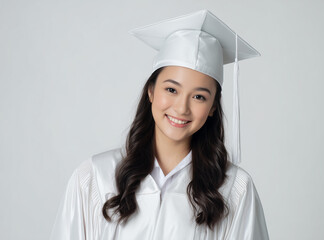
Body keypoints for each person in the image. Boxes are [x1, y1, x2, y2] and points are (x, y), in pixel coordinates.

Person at [50, 10, 269, 240]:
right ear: (151, 91)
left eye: (199, 97)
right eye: (171, 89)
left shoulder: (235, 189)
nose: (182, 108)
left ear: (213, 106)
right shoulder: (95, 177)